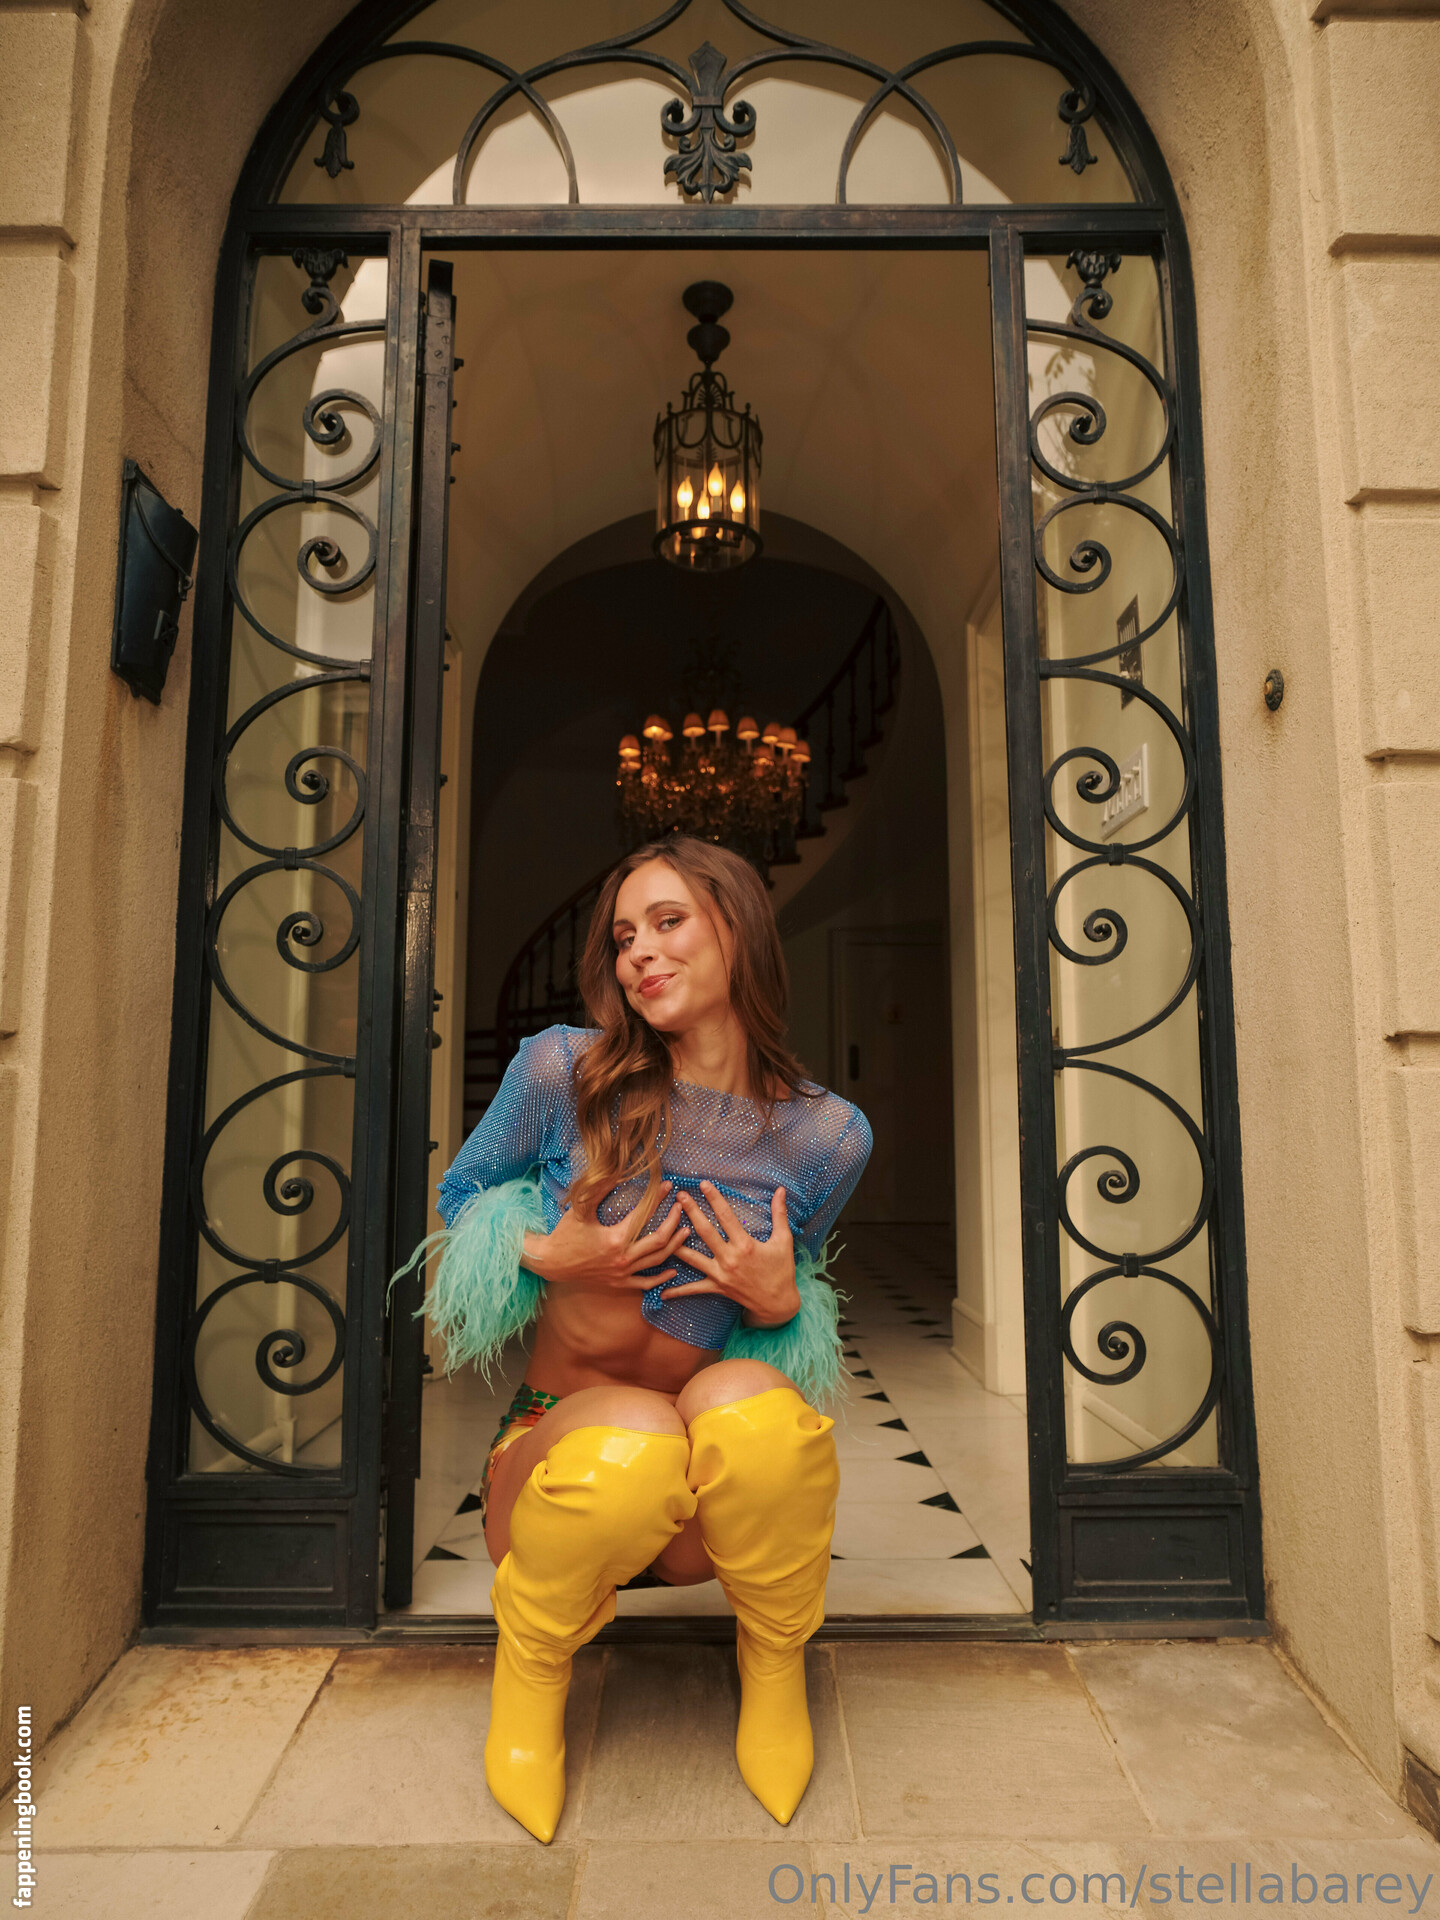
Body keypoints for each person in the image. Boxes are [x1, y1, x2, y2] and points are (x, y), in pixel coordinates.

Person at [404, 836, 871, 1844]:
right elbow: (461, 1195)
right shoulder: (563, 1069)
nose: (638, 955)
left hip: (698, 1498)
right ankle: (532, 1671)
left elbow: (791, 1293)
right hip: (562, 1471)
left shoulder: (828, 1136)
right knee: (633, 1436)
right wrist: (551, 1254)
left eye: (667, 923)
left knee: (760, 1419)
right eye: (623, 937)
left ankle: (774, 1662)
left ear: (738, 930)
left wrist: (778, 1303)